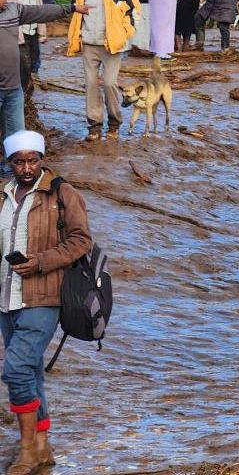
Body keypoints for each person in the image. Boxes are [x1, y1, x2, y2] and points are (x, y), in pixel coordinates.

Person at [0, 130, 93, 475]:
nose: (26, 167)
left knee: (15, 369)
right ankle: (42, 446)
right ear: (9, 162)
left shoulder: (61, 192)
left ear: (42, 159)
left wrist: (40, 261)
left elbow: (81, 240)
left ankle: (26, 451)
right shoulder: (3, 193)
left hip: (46, 295)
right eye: (19, 161)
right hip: (6, 298)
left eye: (32, 160)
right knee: (32, 370)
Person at [67, 0, 139, 141]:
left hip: (112, 44)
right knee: (90, 84)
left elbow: (134, 9)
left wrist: (125, 35)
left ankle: (114, 124)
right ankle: (94, 127)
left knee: (109, 83)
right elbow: (75, 10)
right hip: (89, 42)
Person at [1, 0, 81, 142]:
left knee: (17, 137)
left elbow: (40, 11)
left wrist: (71, 8)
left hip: (13, 88)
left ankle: (14, 167)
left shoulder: (13, 10)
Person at [1, 0, 44, 123]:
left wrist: (42, 30)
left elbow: (39, 5)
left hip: (33, 29)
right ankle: (20, 104)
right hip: (18, 31)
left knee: (33, 66)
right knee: (23, 69)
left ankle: (26, 104)